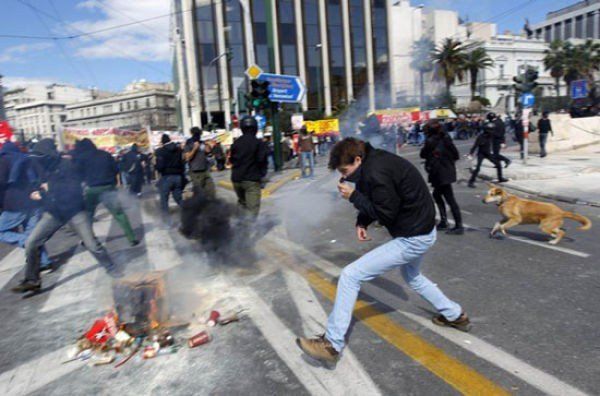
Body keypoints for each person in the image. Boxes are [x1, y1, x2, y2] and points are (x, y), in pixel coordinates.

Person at [296, 137, 470, 365]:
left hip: (413, 236)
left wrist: (353, 197)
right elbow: (381, 199)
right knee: (413, 276)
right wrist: (362, 221)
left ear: (357, 159)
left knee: (350, 275)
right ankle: (455, 315)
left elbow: (386, 213)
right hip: (422, 230)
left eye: (345, 170)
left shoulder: (375, 172)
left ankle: (331, 344)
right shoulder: (374, 163)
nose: (344, 176)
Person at [11, 139, 119, 293]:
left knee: (92, 244)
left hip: (74, 211)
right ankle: (32, 280)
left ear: (47, 155)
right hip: (54, 213)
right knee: (31, 243)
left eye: (40, 156)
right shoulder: (43, 168)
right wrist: (37, 191)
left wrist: (46, 191)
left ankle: (113, 270)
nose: (37, 161)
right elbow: (40, 185)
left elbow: (72, 190)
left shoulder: (67, 165)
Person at [71, 139, 138, 246]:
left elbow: (77, 174)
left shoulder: (81, 158)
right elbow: (116, 169)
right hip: (108, 188)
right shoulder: (105, 154)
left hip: (91, 190)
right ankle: (132, 238)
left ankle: (88, 239)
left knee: (88, 215)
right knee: (119, 214)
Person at [0, 142, 53, 269]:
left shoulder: (3, 161)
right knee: (32, 233)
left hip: (15, 204)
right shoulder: (28, 159)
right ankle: (44, 263)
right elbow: (43, 179)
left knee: (3, 231)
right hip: (34, 201)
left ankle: (28, 243)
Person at [420, 121, 464, 235]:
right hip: (447, 171)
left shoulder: (430, 141)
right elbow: (456, 154)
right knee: (437, 195)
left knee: (450, 199)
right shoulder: (446, 138)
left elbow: (423, 154)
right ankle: (444, 221)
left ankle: (459, 226)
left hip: (439, 173)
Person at [229, 116, 268, 216]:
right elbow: (261, 160)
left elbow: (231, 160)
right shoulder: (259, 143)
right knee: (252, 209)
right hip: (251, 179)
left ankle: (239, 227)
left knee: (242, 204)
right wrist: (262, 174)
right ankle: (249, 231)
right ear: (255, 128)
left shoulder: (236, 143)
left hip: (236, 179)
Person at [468, 121, 508, 188]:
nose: (492, 131)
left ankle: (500, 178)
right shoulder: (480, 137)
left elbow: (499, 136)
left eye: (492, 130)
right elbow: (475, 146)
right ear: (486, 130)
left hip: (488, 154)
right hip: (481, 154)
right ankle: (471, 182)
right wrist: (471, 154)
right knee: (477, 168)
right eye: (490, 130)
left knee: (498, 164)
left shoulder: (491, 135)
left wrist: (503, 142)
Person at [155, 134, 184, 218]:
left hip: (166, 177)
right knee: (179, 198)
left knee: (164, 200)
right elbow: (182, 163)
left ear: (162, 142)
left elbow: (160, 166)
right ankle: (190, 215)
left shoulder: (160, 151)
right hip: (178, 176)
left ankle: (167, 223)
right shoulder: (178, 149)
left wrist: (155, 166)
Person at [184, 127, 215, 198]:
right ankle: (197, 207)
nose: (198, 136)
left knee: (211, 190)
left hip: (205, 170)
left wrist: (208, 146)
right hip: (195, 172)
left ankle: (212, 206)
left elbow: (207, 152)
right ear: (192, 134)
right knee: (199, 193)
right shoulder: (189, 143)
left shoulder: (202, 142)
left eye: (199, 134)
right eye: (196, 134)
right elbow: (187, 157)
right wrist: (194, 149)